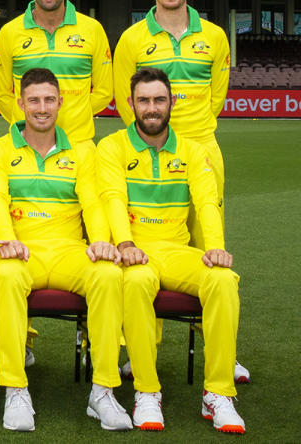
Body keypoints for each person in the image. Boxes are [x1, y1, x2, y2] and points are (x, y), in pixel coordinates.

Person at [111, 0, 248, 384]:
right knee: (144, 247)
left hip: (201, 148)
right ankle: (139, 349)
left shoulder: (214, 36)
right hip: (149, 152)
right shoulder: (132, 38)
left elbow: (217, 95)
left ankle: (221, 352)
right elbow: (123, 99)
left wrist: (191, 136)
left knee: (211, 249)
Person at [97, 67, 245, 434]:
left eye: (159, 100)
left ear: (172, 103)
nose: (151, 108)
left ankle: (219, 394)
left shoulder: (193, 151)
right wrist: (126, 243)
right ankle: (147, 390)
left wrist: (215, 248)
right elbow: (113, 197)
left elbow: (207, 201)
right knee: (135, 283)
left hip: (177, 250)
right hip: (135, 253)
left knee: (223, 281)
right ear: (129, 104)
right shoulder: (111, 146)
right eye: (143, 100)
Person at [0, 68, 131, 432]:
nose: (42, 107)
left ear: (61, 103)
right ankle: (16, 387)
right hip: (22, 249)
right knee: (5, 273)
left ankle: (103, 390)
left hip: (69, 250)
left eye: (49, 99)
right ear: (19, 104)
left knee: (109, 273)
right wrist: (7, 238)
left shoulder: (82, 150)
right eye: (33, 100)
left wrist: (99, 240)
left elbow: (92, 202)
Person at [0, 0, 112, 143]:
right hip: (26, 144)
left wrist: (74, 116)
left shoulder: (93, 29)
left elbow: (104, 90)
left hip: (78, 142)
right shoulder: (9, 32)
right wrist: (32, 120)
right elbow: (1, 94)